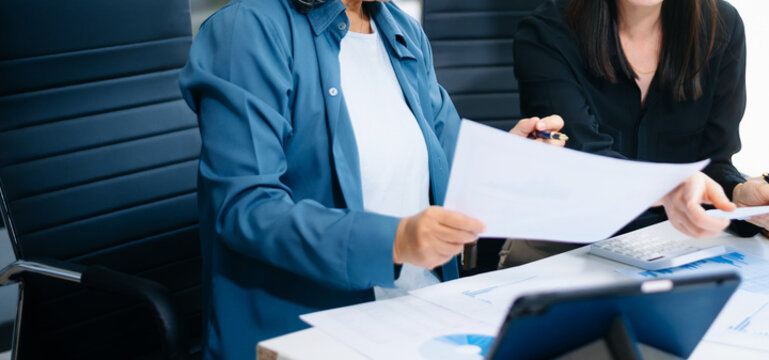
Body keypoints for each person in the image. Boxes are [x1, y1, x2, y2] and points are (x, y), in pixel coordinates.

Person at [179, 0, 575, 358]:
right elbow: (246, 208)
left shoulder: (399, 29)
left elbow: (446, 164)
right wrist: (397, 240)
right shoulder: (248, 30)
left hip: (423, 315)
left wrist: (514, 159)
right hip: (311, 335)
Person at [501, 0, 769, 267]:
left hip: (669, 245)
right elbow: (585, 161)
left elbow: (713, 161)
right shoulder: (546, 34)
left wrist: (739, 194)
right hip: (565, 245)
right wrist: (672, 187)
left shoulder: (721, 26)